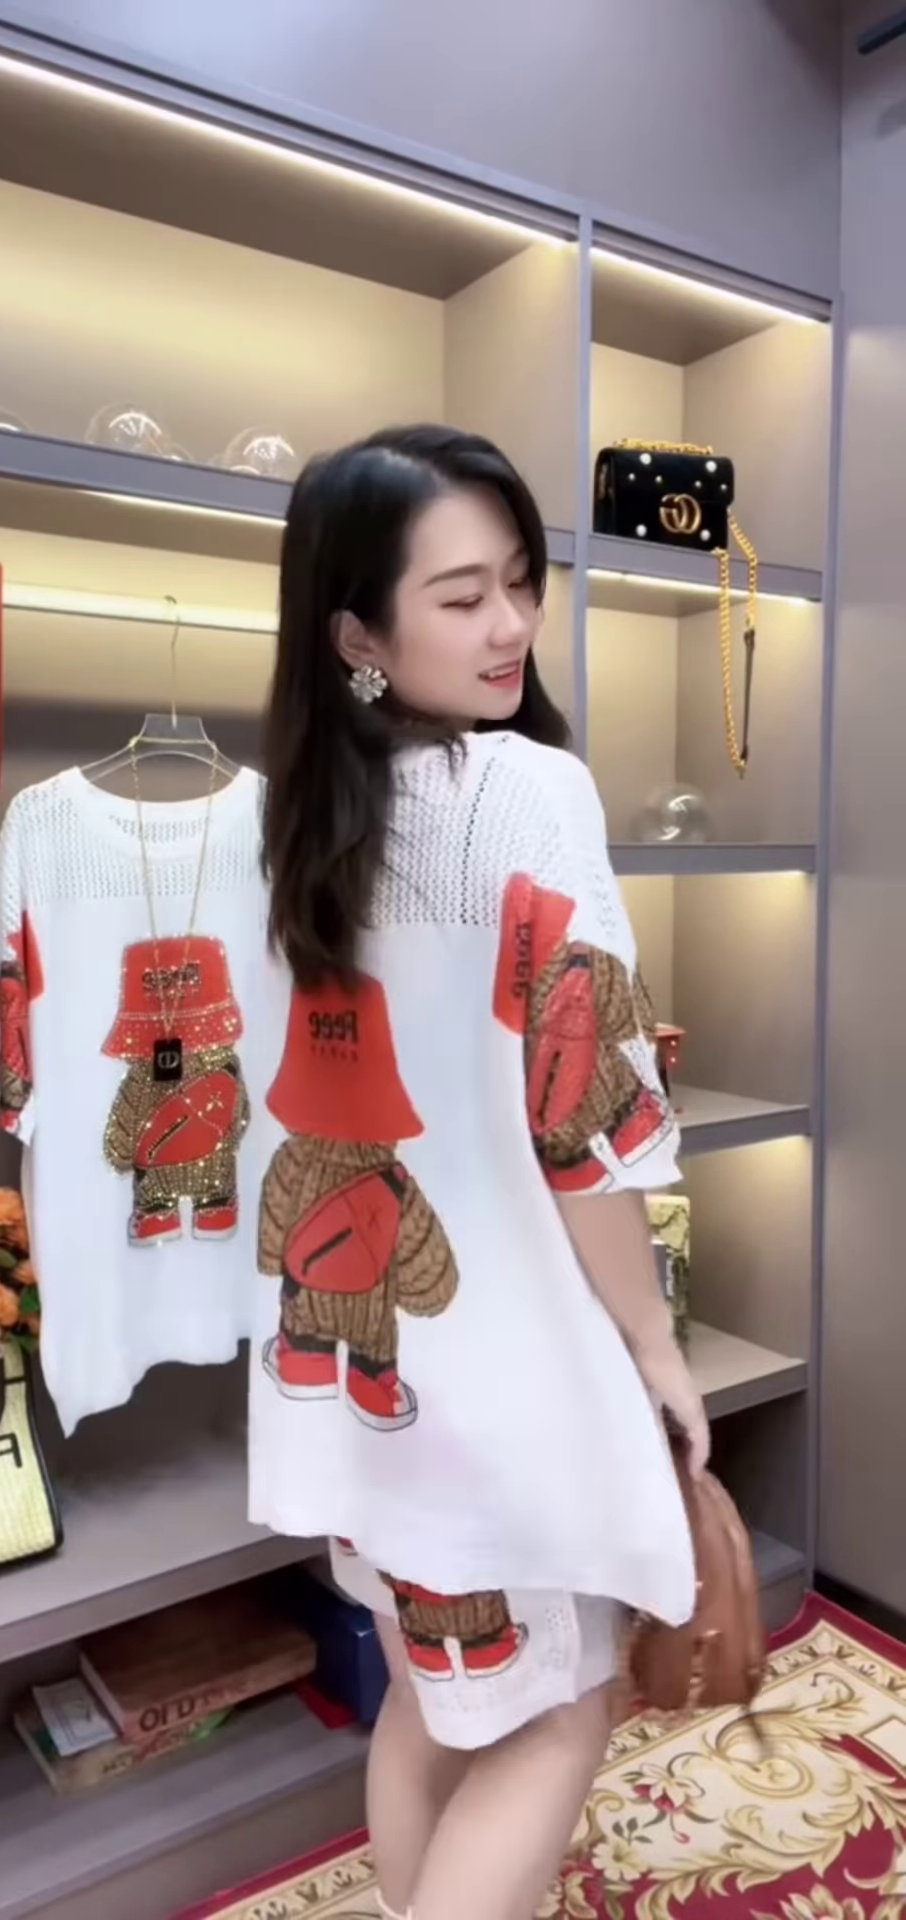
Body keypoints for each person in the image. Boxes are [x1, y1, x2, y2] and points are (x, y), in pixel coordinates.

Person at [249, 424, 708, 1920]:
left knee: (430, 1698)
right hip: (509, 1376)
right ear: (358, 635)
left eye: (520, 581)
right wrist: (653, 1342)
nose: (510, 625)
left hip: (354, 1378)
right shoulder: (524, 791)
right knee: (558, 1715)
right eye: (461, 597)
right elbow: (585, 1122)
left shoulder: (288, 823)